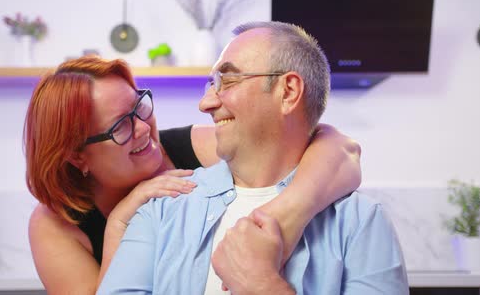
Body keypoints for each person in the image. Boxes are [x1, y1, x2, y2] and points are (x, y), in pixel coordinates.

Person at [97, 21, 408, 295]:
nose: (205, 103)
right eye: (210, 84)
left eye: (227, 80)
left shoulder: (360, 223)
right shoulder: (161, 211)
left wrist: (263, 287)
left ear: (288, 92)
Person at [24, 55, 362, 294]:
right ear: (75, 156)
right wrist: (118, 226)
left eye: (138, 106)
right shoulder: (54, 225)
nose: (143, 128)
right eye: (120, 126)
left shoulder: (196, 146)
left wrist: (284, 217)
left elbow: (341, 151)